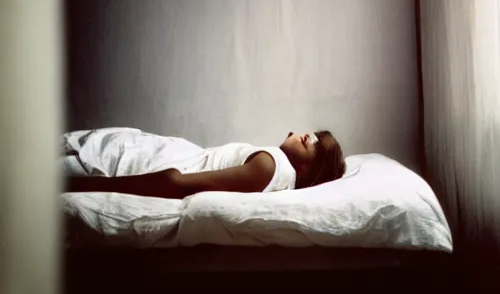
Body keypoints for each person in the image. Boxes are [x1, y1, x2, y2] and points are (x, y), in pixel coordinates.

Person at [62, 127, 346, 199]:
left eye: (317, 145)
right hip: (150, 150)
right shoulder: (277, 166)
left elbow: (175, 183)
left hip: (135, 161)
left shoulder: (271, 166)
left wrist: (78, 186)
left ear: (308, 169)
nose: (309, 136)